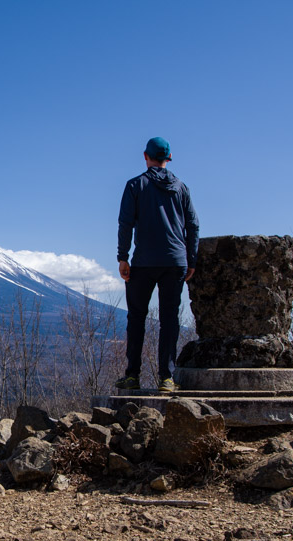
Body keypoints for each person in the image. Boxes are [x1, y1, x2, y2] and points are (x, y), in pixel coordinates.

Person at [115, 137, 199, 392]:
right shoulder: (181, 187)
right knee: (169, 319)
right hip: (175, 261)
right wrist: (191, 259)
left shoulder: (135, 185)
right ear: (168, 158)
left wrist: (122, 257)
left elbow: (125, 223)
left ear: (145, 156)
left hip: (144, 262)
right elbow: (193, 225)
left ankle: (132, 375)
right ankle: (167, 378)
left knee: (137, 317)